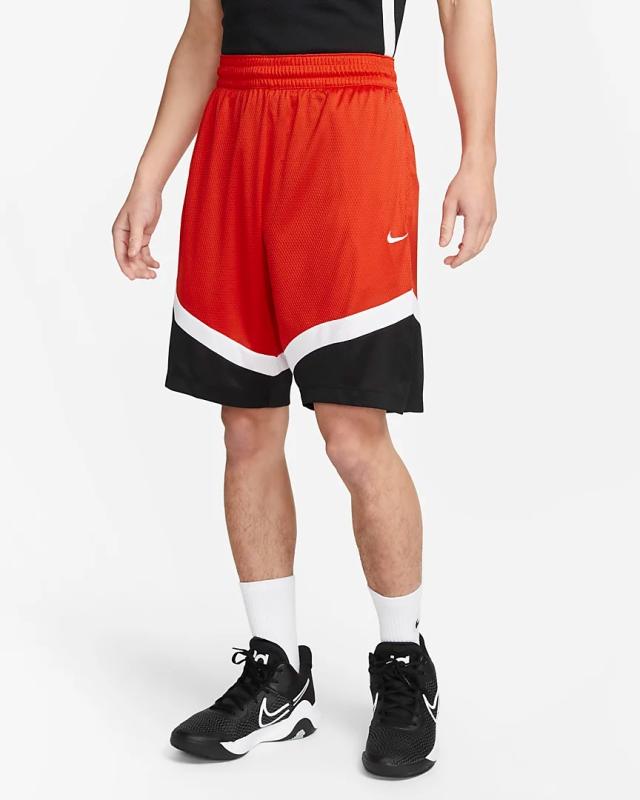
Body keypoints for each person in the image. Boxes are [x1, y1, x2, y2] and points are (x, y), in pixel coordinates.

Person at [112, 0, 496, 779]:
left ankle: (403, 661)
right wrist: (149, 178)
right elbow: (205, 32)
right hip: (236, 137)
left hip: (349, 129)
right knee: (246, 425)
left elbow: (464, 10)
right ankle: (276, 673)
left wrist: (479, 157)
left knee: (353, 432)